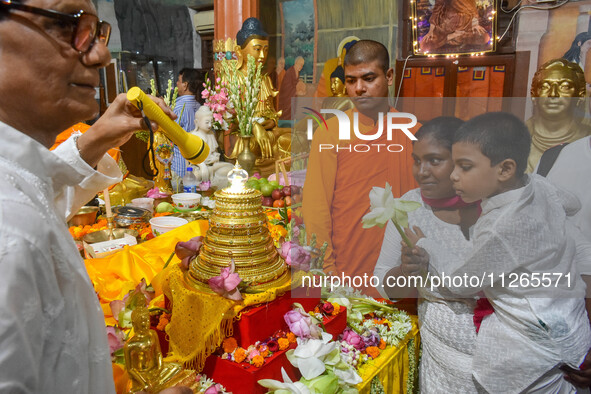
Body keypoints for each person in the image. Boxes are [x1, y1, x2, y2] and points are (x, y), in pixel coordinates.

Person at [0, 1, 190, 392]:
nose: (101, 54)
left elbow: (37, 193)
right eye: (68, 25)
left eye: (95, 31)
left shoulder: (17, 184)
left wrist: (94, 139)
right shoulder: (10, 234)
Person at [408, 112, 591, 392]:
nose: (453, 176)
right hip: (572, 323)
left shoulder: (503, 228)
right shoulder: (537, 185)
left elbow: (463, 282)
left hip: (540, 343)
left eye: (465, 167)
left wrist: (426, 245)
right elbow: (573, 203)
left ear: (505, 169)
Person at [374, 117, 481, 392]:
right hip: (440, 367)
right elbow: (383, 285)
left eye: (434, 161)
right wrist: (405, 272)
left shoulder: (498, 208)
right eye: (417, 160)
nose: (422, 172)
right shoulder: (406, 209)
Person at [302, 40, 417, 297]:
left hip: (402, 269)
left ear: (388, 76)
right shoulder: (330, 134)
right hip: (346, 268)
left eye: (368, 78)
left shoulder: (414, 134)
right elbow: (316, 207)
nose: (359, 89)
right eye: (351, 81)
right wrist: (326, 270)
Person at [526, 58, 591, 172]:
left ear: (580, 94)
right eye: (545, 86)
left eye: (564, 86)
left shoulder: (587, 139)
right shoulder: (514, 139)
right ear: (533, 95)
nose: (553, 94)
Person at [419, 0, 490, 53]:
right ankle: (451, 37)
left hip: (465, 26)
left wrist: (475, 24)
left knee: (485, 37)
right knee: (424, 44)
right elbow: (437, 10)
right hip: (446, 25)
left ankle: (455, 38)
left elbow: (472, 8)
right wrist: (431, 31)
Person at [171, 68, 202, 179]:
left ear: (185, 85)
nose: (177, 84)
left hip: (180, 165)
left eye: (179, 81)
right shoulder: (199, 106)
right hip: (198, 165)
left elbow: (171, 135)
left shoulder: (178, 108)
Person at [278, 56, 305, 121]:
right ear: (296, 63)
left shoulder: (297, 72)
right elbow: (287, 87)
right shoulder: (290, 72)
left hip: (292, 96)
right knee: (287, 113)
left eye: (302, 65)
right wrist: (296, 92)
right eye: (300, 64)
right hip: (286, 97)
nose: (301, 66)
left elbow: (295, 84)